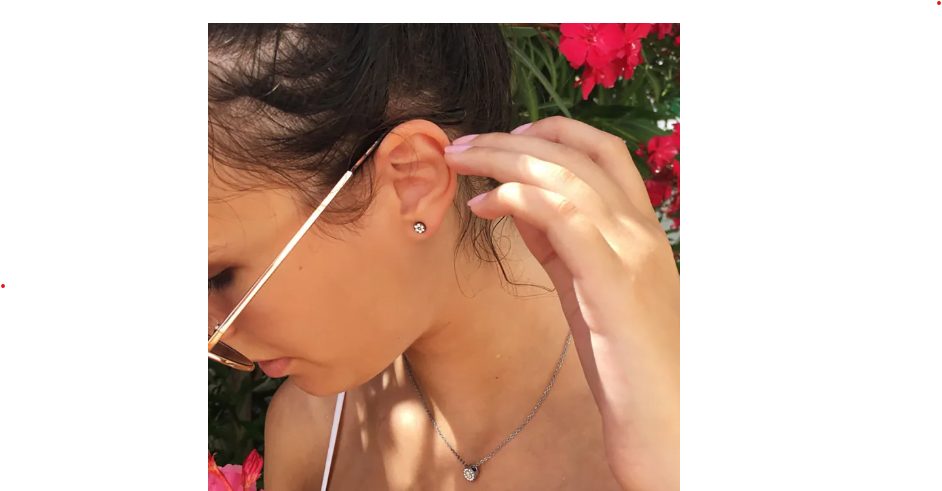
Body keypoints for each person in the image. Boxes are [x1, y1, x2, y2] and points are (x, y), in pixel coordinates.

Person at [209, 23, 826, 491]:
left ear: (411, 180)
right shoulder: (314, 434)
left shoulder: (737, 411)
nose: (214, 330)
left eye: (219, 275)